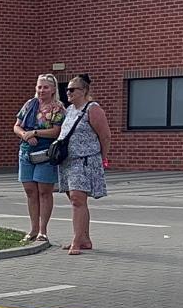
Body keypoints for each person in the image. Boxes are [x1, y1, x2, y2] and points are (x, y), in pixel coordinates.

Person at [57, 73, 111, 256]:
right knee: (76, 201)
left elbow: (105, 135)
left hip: (85, 160)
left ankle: (77, 241)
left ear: (84, 90)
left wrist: (103, 158)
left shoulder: (93, 109)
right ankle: (84, 238)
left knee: (78, 199)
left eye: (72, 89)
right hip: (68, 161)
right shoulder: (70, 109)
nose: (68, 92)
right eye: (67, 89)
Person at [13, 74, 64, 243]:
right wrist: (25, 135)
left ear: (53, 90)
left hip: (45, 153)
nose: (42, 90)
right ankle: (33, 229)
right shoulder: (30, 104)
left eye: (45, 87)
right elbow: (17, 125)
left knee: (44, 191)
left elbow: (56, 131)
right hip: (26, 151)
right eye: (39, 87)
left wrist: (35, 133)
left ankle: (43, 230)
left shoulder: (57, 108)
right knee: (30, 191)